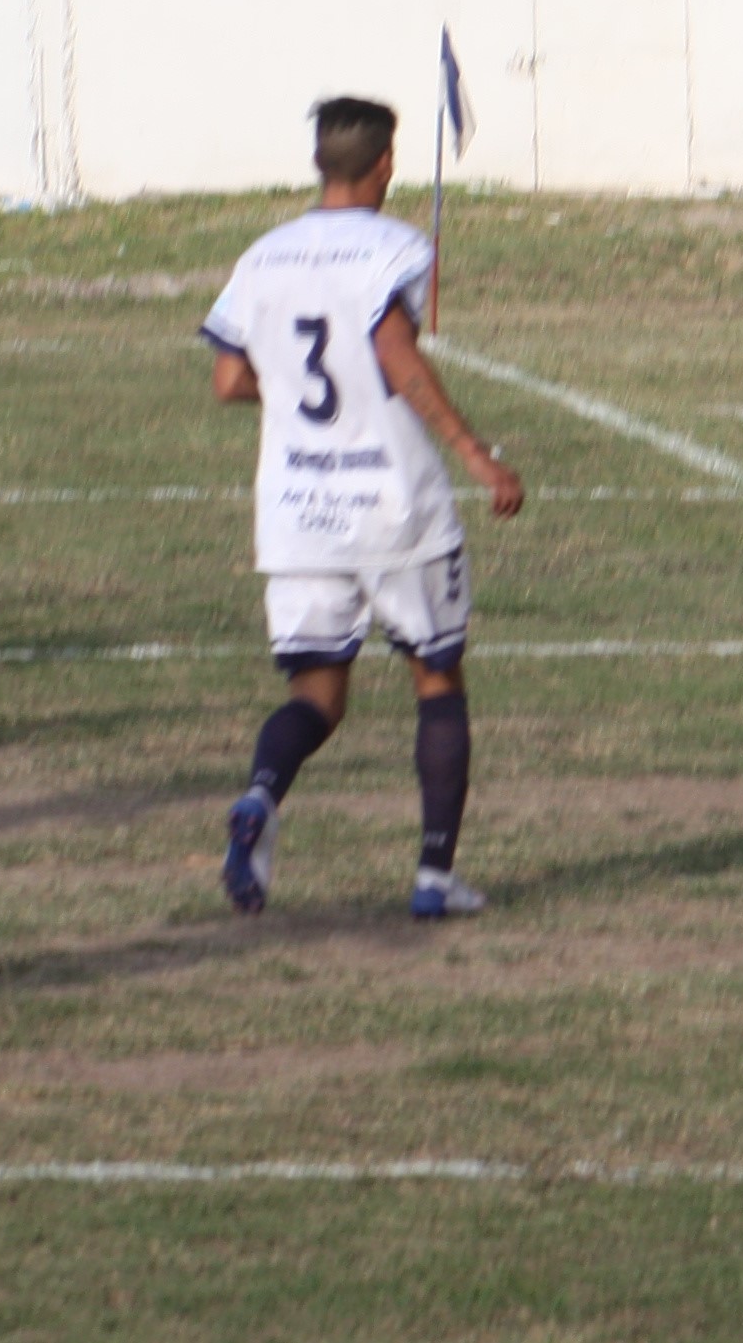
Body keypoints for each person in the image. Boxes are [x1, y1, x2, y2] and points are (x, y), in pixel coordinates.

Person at [202, 97, 523, 922]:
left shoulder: (263, 255)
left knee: (318, 695)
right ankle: (433, 874)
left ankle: (261, 798)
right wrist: (475, 451)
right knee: (435, 676)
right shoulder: (400, 245)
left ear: (320, 161)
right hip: (393, 503)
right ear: (385, 162)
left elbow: (231, 380)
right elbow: (394, 354)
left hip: (297, 506)